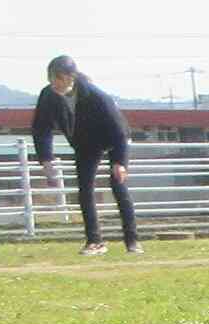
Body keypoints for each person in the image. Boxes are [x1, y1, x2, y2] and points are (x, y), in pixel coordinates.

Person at [30, 54, 139, 255]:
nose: (54, 83)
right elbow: (41, 129)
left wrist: (119, 162)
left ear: (71, 77)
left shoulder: (97, 96)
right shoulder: (48, 95)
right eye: (51, 78)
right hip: (85, 144)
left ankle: (132, 240)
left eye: (58, 78)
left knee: (118, 184)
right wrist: (46, 159)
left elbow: (118, 130)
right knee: (85, 189)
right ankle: (94, 241)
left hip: (114, 138)